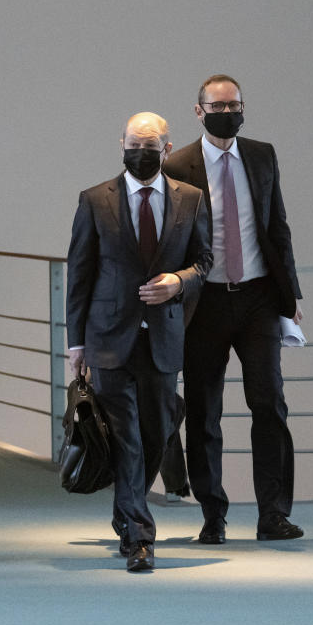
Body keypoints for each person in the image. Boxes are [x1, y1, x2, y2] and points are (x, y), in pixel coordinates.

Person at [163, 74, 304, 545]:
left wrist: (290, 299)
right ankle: (213, 515)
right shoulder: (178, 164)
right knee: (205, 411)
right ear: (199, 110)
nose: (227, 113)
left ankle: (274, 514)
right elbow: (170, 241)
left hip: (259, 297)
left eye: (234, 104)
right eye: (217, 106)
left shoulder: (262, 155)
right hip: (204, 302)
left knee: (270, 403)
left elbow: (276, 226)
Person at [67, 112, 211, 571]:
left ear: (166, 149)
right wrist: (76, 343)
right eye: (133, 143)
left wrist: (179, 281)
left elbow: (205, 261)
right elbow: (80, 274)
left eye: (150, 145)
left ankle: (125, 515)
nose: (141, 152)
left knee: (156, 433)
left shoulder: (191, 199)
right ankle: (139, 536)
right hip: (108, 337)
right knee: (127, 436)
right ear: (121, 144)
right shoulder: (94, 200)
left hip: (164, 336)